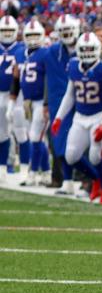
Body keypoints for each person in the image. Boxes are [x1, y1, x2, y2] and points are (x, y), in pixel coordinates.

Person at [51, 33, 102, 205]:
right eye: (84, 49)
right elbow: (69, 96)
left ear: (98, 49)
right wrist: (59, 117)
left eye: (90, 49)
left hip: (98, 116)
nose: (87, 52)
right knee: (71, 156)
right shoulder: (73, 66)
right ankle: (96, 179)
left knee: (96, 156)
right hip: (80, 117)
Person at [43, 15, 81, 196]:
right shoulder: (51, 52)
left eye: (69, 30)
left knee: (88, 144)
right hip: (60, 102)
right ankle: (67, 180)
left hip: (85, 102)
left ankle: (94, 180)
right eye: (63, 31)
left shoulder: (86, 48)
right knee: (61, 142)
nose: (67, 34)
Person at [16, 20, 49, 186]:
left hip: (40, 102)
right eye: (30, 35)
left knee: (36, 138)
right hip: (28, 102)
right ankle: (47, 172)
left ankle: (33, 173)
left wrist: (47, 102)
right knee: (37, 139)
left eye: (37, 35)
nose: (34, 38)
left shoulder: (45, 53)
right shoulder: (25, 53)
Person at [0, 15, 24, 179]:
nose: (7, 33)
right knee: (2, 131)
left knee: (18, 130)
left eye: (10, 30)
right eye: (4, 30)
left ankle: (17, 163)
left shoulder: (22, 48)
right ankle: (6, 163)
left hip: (16, 94)